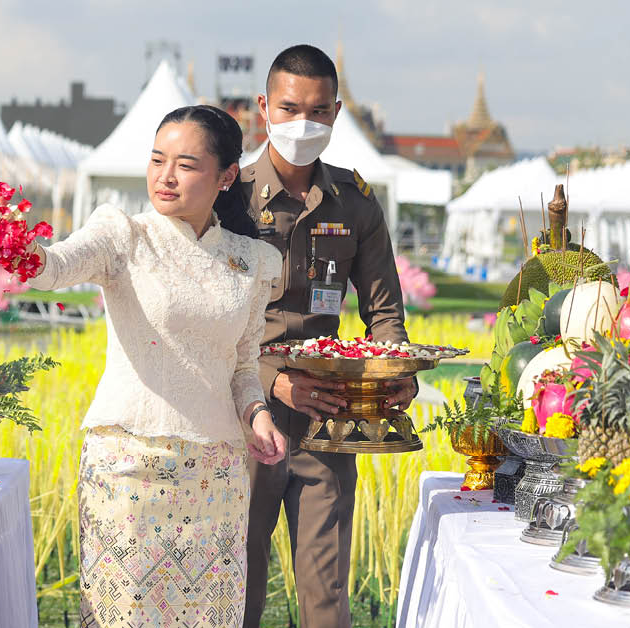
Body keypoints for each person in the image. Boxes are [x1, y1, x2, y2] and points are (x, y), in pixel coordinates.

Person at [27, 104, 289, 627]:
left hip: (216, 479)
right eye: (156, 160)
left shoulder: (253, 261)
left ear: (226, 176)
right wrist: (16, 248)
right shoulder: (123, 234)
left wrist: (257, 413)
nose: (165, 177)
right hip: (127, 469)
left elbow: (242, 364)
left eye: (186, 165)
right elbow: (53, 267)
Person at [240, 45, 418, 627]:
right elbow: (202, 321)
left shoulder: (355, 201)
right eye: (290, 109)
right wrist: (274, 380)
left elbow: (384, 314)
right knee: (237, 583)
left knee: (325, 595)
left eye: (318, 112)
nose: (303, 124)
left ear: (337, 113)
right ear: (263, 106)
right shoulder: (230, 198)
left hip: (327, 420)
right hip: (245, 415)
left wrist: (396, 378)